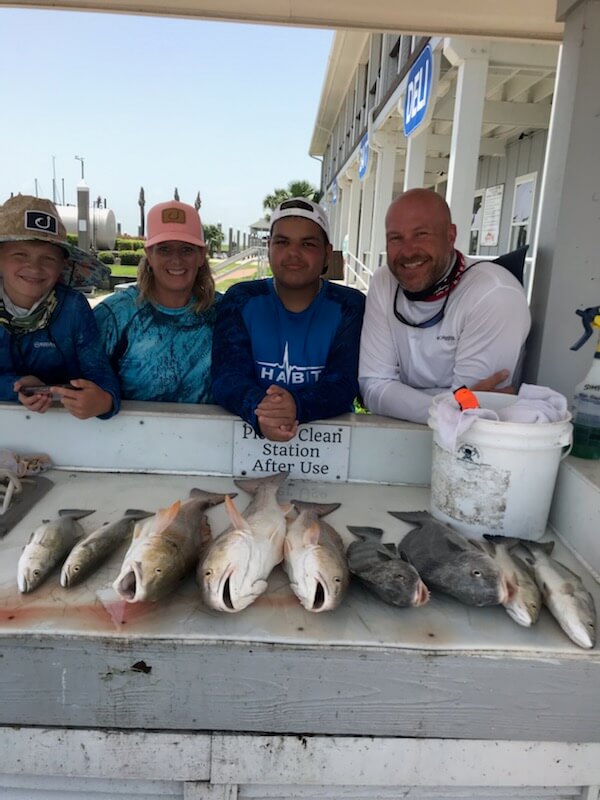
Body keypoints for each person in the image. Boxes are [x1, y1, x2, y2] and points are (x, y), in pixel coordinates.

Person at [359, 188, 531, 424]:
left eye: (421, 234)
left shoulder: (494, 293)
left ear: (451, 236)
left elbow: (475, 416)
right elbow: (372, 387)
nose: (408, 251)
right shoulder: (384, 281)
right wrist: (452, 406)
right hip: (405, 438)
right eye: (395, 238)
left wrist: (403, 398)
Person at [212, 198, 365, 441]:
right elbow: (227, 378)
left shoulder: (349, 305)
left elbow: (344, 383)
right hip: (246, 444)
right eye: (282, 242)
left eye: (308, 244)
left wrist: (297, 405)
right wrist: (261, 408)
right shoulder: (241, 299)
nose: (293, 253)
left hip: (330, 447)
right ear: (269, 246)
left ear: (327, 254)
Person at [0, 194, 120, 419]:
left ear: (63, 266)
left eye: (48, 258)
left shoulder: (74, 308)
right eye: (20, 254)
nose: (34, 267)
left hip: (68, 426)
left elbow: (100, 373)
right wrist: (15, 387)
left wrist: (104, 401)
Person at [94, 200, 221, 403]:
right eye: (164, 249)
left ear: (201, 256)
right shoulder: (114, 314)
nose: (176, 260)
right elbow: (82, 380)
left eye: (187, 249)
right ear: (149, 255)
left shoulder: (224, 313)